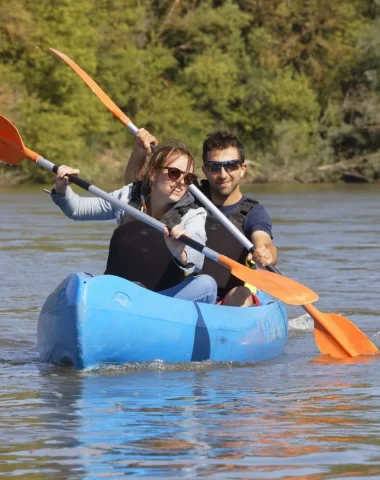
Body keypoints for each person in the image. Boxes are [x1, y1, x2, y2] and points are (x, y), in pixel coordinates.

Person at [50, 141, 217, 305]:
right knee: (79, 279)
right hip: (118, 297)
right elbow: (77, 209)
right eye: (174, 173)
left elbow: (197, 260)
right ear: (152, 173)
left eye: (188, 178)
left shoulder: (193, 213)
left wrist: (181, 253)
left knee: (207, 285)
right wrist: (62, 188)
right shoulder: (129, 195)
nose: (181, 182)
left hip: (161, 302)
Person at [124, 130, 277, 307]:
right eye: (214, 167)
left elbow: (264, 242)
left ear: (242, 169)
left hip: (226, 300)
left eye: (231, 166)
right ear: (204, 170)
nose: (223, 174)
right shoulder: (186, 193)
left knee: (241, 293)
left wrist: (264, 253)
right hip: (185, 293)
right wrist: (139, 153)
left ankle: (224, 330)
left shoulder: (253, 211)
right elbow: (135, 187)